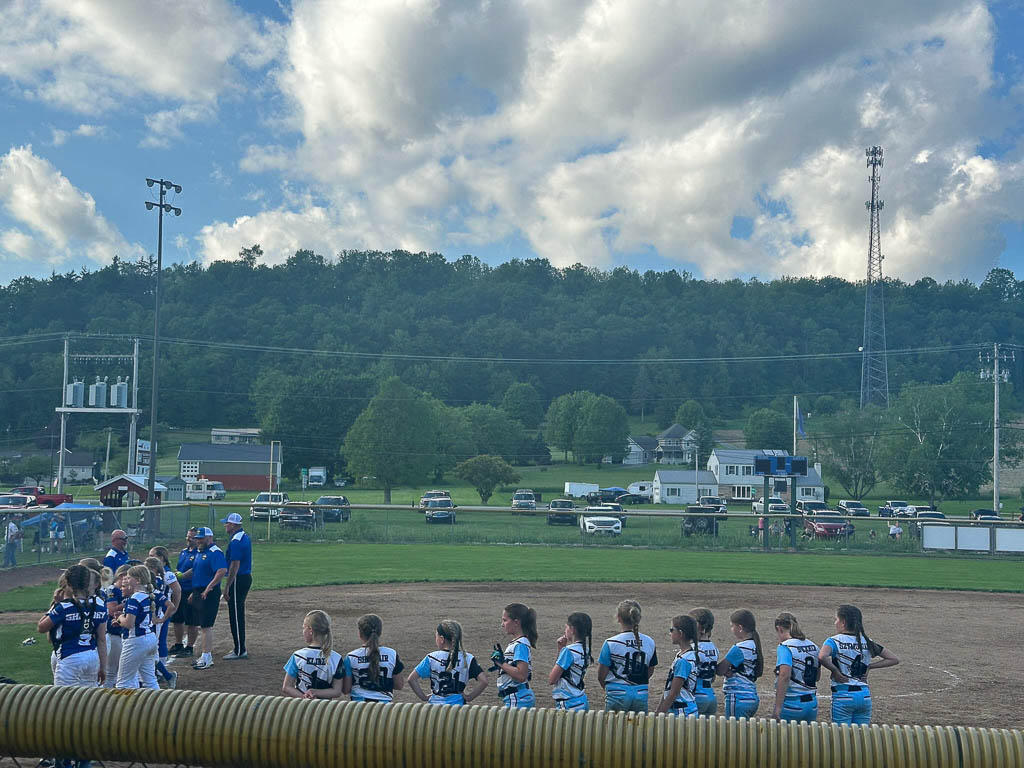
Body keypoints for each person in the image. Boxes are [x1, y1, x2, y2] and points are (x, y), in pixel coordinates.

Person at [819, 604, 899, 725]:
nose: (835, 622)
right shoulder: (866, 641)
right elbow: (893, 659)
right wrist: (869, 666)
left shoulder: (833, 641)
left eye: (836, 619)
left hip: (843, 696)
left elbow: (822, 656)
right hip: (864, 696)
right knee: (861, 738)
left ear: (843, 622)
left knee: (842, 737)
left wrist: (835, 671)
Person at [407, 619, 488, 705]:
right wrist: (469, 697)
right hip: (457, 708)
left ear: (442, 639)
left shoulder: (431, 657)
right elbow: (484, 681)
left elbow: (411, 679)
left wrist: (423, 697)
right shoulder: (467, 658)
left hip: (434, 708)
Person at [597, 599, 658, 712]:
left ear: (618, 618)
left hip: (617, 693)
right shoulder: (650, 641)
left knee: (614, 728)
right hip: (641, 692)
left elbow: (601, 676)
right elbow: (649, 671)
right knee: (638, 728)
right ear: (639, 618)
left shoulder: (611, 643)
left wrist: (611, 689)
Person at [115, 564, 165, 690]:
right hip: (150, 638)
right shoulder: (148, 595)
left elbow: (129, 624)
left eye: (128, 577)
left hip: (136, 641)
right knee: (150, 680)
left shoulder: (135, 598)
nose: (126, 580)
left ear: (137, 580)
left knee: (123, 682)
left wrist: (120, 618)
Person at [282, 610, 344, 699]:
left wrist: (305, 697)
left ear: (310, 630)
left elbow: (287, 687)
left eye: (304, 628)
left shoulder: (298, 656)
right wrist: (317, 693)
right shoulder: (336, 658)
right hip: (325, 708)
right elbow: (337, 691)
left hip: (302, 707)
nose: (303, 631)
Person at [188, 527, 227, 671]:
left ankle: (207, 657)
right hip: (200, 591)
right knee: (202, 625)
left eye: (201, 538)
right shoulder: (201, 552)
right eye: (197, 538)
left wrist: (208, 588)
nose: (198, 541)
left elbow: (221, 571)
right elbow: (196, 572)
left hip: (208, 592)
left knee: (206, 625)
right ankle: (204, 655)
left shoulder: (215, 552)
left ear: (209, 538)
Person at [343, 614, 405, 702]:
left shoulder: (351, 657)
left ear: (360, 633)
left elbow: (346, 689)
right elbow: (399, 685)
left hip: (358, 708)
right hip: (384, 708)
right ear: (380, 632)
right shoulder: (392, 654)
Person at [771, 612, 820, 722]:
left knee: (785, 738)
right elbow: (817, 677)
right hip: (812, 704)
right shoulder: (814, 646)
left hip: (792, 704)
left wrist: (778, 707)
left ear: (779, 629)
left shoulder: (785, 647)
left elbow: (784, 675)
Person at [717, 608, 763, 719]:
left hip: (738, 697)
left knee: (733, 733)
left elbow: (720, 670)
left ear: (740, 628)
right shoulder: (755, 645)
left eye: (732, 626)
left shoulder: (739, 648)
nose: (731, 629)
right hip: (752, 697)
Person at [490, 603, 537, 708]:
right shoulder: (517, 643)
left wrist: (501, 663)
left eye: (505, 620)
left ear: (516, 622)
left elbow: (521, 675)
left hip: (518, 698)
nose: (502, 624)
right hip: (516, 697)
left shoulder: (521, 644)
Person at [220, 512, 252, 660]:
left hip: (238, 579)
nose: (225, 525)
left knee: (236, 614)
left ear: (233, 525)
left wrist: (227, 586)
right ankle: (239, 647)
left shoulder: (236, 541)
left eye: (227, 523)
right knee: (236, 612)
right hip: (243, 578)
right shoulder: (242, 537)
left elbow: (235, 565)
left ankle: (239, 649)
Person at [145, 554, 179, 689]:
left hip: (154, 618)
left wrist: (162, 618)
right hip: (151, 619)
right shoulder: (154, 581)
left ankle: (165, 674)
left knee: (151, 649)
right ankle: (164, 674)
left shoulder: (156, 581)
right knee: (148, 650)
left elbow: (169, 599)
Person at [655, 614, 700, 716]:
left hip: (682, 711)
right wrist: (659, 709)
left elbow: (674, 692)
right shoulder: (685, 654)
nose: (670, 633)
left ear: (680, 633)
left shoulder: (683, 660)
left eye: (672, 630)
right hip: (685, 709)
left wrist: (660, 713)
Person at [548, 612, 592, 711]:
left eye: (566, 627)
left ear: (573, 629)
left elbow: (552, 679)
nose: (565, 630)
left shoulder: (568, 651)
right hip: (581, 699)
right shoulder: (586, 650)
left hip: (568, 702)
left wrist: (562, 650)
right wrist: (561, 649)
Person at [169, 528, 199, 658]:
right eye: (188, 536)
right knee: (177, 619)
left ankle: (190, 647)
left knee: (191, 621)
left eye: (192, 537)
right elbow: (180, 568)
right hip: (179, 590)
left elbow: (195, 571)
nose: (188, 539)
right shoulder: (183, 552)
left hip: (190, 589)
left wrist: (181, 576)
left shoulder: (199, 553)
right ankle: (178, 644)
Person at [688, 607, 719, 715]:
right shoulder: (714, 648)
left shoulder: (691, 648)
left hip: (696, 696)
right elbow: (713, 677)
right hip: (710, 695)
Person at [103, 564, 130, 689]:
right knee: (111, 672)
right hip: (113, 633)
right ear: (121, 576)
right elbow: (111, 610)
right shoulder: (112, 590)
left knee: (116, 671)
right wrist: (127, 604)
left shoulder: (120, 590)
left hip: (119, 632)